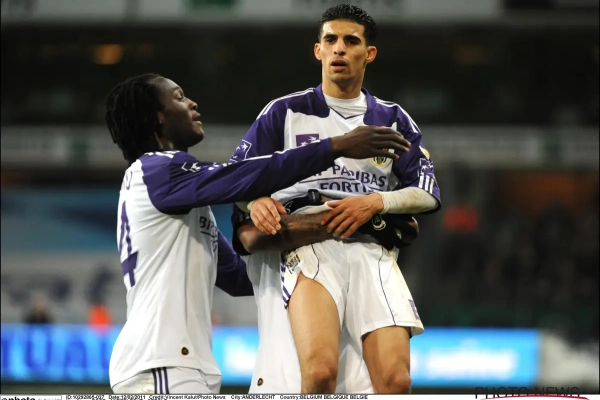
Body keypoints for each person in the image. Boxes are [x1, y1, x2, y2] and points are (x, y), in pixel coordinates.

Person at [104, 73, 411, 394]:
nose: (192, 103)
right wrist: (336, 146)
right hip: (161, 363)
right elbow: (244, 175)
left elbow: (240, 278)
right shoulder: (158, 170)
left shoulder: (176, 198)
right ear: (157, 117)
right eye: (180, 97)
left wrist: (329, 255)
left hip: (177, 364)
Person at [229, 4, 441, 393]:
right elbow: (236, 175)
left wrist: (376, 202)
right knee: (321, 374)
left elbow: (427, 192)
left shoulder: (393, 119)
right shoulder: (284, 112)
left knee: (396, 381)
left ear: (369, 53)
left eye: (351, 41)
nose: (339, 48)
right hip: (309, 243)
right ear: (318, 50)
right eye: (331, 40)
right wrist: (253, 201)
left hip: (372, 249)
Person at [231, 196, 420, 393]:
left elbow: (409, 223)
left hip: (368, 261)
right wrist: (349, 220)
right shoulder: (257, 189)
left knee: (397, 382)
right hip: (285, 369)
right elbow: (249, 239)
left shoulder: (371, 190)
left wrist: (372, 207)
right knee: (318, 374)